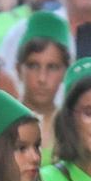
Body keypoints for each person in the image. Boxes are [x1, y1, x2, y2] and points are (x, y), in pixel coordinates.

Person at [9, 11, 73, 159]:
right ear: (19, 69)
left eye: (52, 67)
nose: (42, 78)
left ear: (65, 72)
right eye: (33, 66)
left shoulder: (72, 127)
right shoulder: (2, 124)